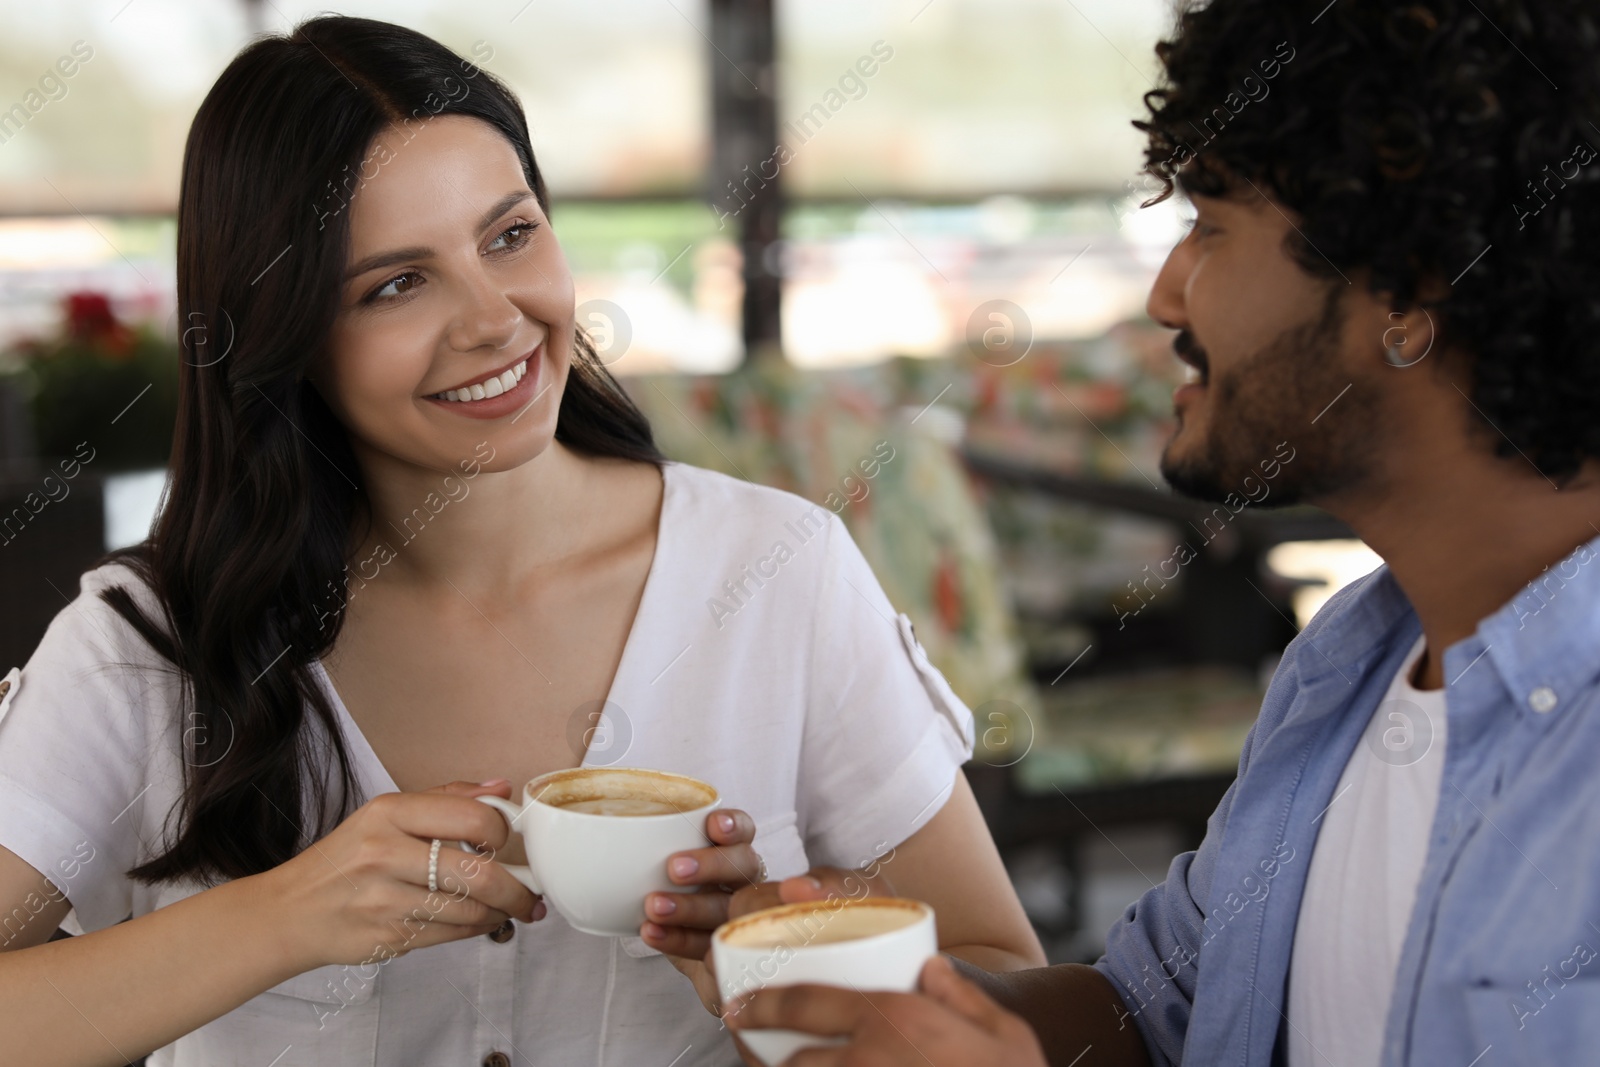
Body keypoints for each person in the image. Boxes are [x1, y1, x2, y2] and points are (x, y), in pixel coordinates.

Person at [0, 16, 1044, 1067]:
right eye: (396, 283)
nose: (496, 319)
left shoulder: (777, 572)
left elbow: (1002, 969)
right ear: (283, 336)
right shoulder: (144, 647)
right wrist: (284, 915)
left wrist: (769, 963)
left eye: (510, 235)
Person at [728, 0, 1600, 1063]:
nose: (1163, 291)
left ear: (1405, 299)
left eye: (1211, 226)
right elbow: (1146, 1013)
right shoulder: (1347, 670)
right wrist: (845, 980)